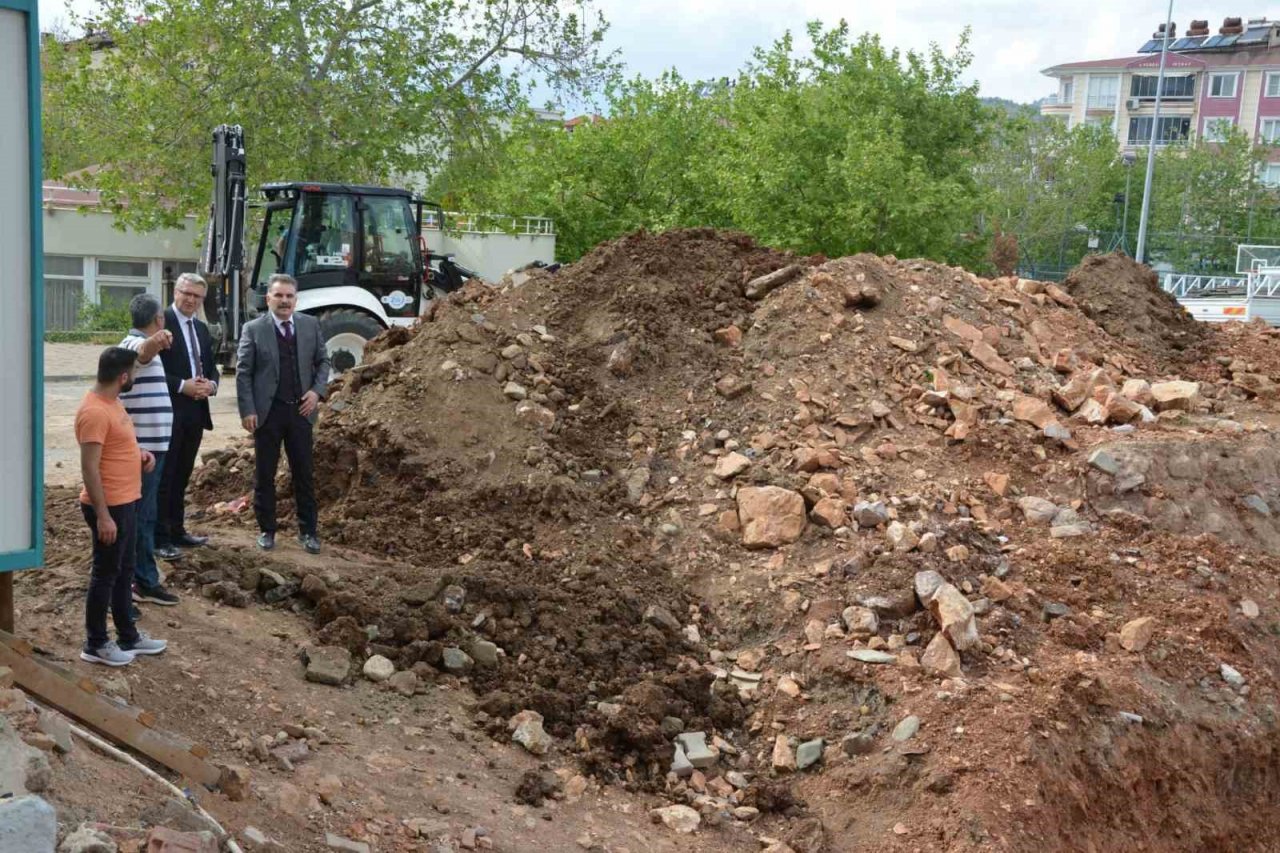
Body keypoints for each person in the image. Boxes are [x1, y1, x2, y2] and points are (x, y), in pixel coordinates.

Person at [76, 347, 168, 666]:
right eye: (134, 374)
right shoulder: (94, 412)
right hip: (109, 508)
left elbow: (117, 445)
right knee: (105, 574)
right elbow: (89, 468)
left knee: (124, 570)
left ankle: (128, 635)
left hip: (125, 502)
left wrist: (139, 455)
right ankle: (96, 643)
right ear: (123, 376)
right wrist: (103, 516)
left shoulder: (112, 402)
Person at [236, 274, 331, 554]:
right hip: (268, 414)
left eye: (289, 296)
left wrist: (316, 392)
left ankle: (309, 532)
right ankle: (267, 530)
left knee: (304, 473)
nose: (284, 301)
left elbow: (323, 361)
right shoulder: (253, 329)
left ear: (296, 299)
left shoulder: (310, 325)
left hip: (301, 412)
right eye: (279, 296)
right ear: (268, 299)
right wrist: (248, 409)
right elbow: (243, 373)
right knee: (264, 474)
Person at [119, 293, 181, 607]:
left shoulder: (139, 346)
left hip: (154, 447)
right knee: (141, 516)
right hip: (143, 451)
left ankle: (137, 577)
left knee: (146, 513)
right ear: (158, 320)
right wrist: (155, 342)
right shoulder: (129, 345)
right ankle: (141, 580)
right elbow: (141, 353)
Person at [156, 273, 218, 554]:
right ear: (175, 292)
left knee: (183, 475)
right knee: (165, 477)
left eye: (197, 296)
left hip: (195, 412)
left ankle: (177, 530)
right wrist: (183, 386)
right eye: (187, 293)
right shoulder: (160, 325)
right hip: (168, 411)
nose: (191, 300)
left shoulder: (202, 329)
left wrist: (211, 385)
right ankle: (160, 538)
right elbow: (150, 370)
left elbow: (212, 367)